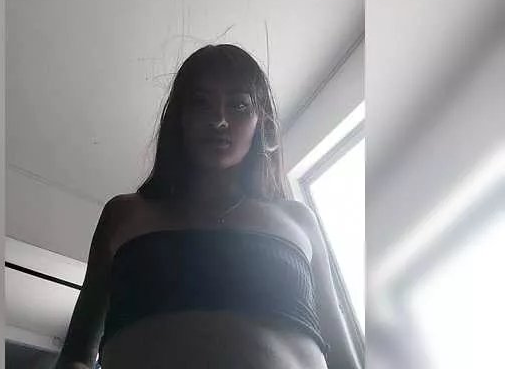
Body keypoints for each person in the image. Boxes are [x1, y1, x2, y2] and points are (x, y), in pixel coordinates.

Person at [54, 44, 358, 369]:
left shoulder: (299, 219)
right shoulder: (124, 215)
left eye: (239, 105)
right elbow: (76, 355)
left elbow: (343, 356)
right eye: (201, 103)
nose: (220, 120)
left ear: (261, 122)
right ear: (180, 119)